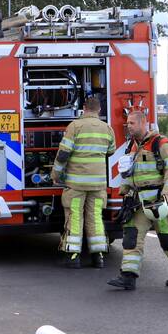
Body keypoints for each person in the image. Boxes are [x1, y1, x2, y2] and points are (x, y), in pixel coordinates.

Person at [107, 110, 168, 290]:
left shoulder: (161, 143)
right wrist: (125, 188)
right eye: (127, 123)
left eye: (132, 123)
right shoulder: (132, 146)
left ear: (142, 123)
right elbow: (131, 172)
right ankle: (128, 277)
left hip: (162, 202)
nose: (128, 126)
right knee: (131, 237)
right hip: (139, 203)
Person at [51, 94, 116, 268]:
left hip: (76, 184)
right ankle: (98, 256)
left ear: (84, 109)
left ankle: (73, 256)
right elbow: (111, 151)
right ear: (99, 110)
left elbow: (63, 154)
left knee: (75, 217)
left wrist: (55, 174)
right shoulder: (107, 128)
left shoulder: (75, 126)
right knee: (95, 217)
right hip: (98, 185)